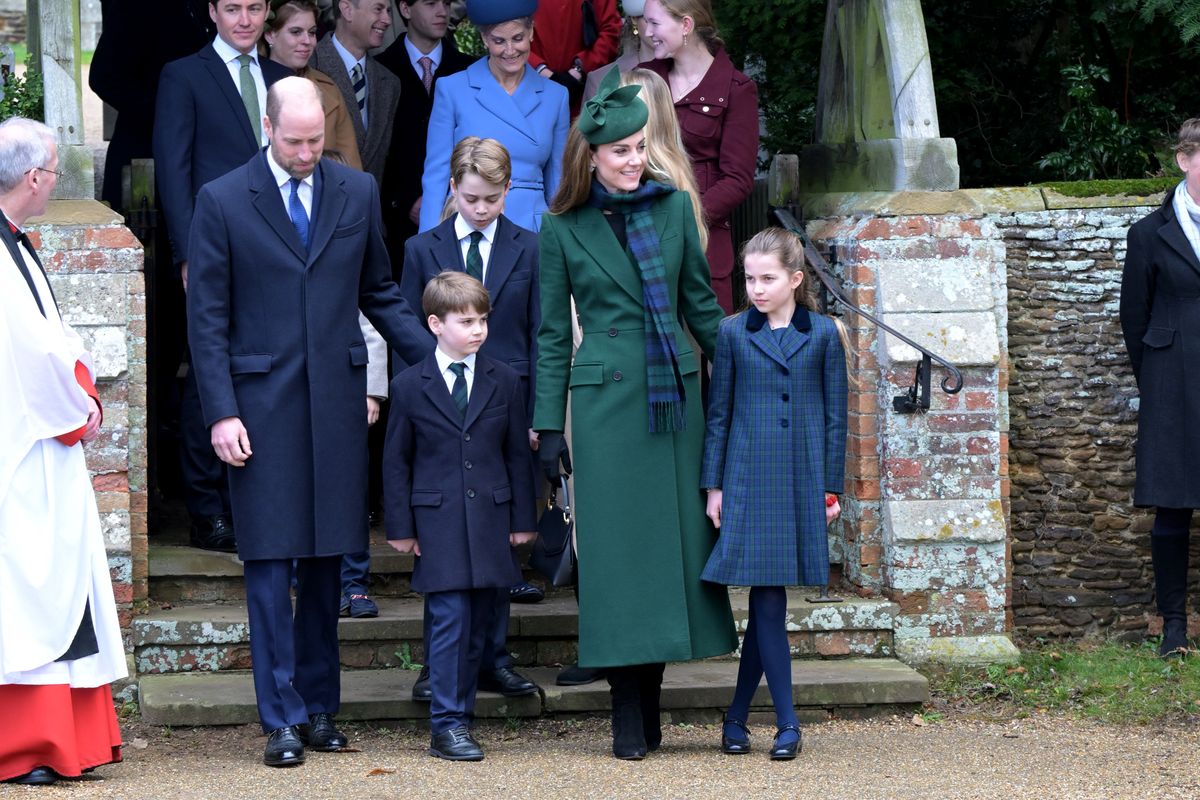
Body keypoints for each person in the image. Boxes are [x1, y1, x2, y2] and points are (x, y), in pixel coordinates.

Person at [186, 77, 433, 767]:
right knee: (269, 567)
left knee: (329, 565)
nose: (305, 153)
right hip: (258, 410)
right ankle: (281, 718)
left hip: (336, 405)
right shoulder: (223, 199)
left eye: (315, 140)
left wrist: (434, 360)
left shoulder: (353, 192)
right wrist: (222, 413)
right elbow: (205, 321)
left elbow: (379, 292)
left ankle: (321, 708)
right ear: (267, 127)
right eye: (293, 141)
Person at [534, 68, 737, 760]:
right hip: (605, 407)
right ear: (592, 156)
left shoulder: (675, 209)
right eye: (621, 150)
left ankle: (649, 707)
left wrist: (753, 370)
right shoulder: (560, 227)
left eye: (640, 146)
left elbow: (700, 311)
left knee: (666, 559)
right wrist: (543, 428)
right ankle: (627, 712)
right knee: (620, 562)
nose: (634, 159)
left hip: (674, 400)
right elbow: (553, 336)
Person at [0, 118, 126, 786]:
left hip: (25, 438)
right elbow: (39, 352)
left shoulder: (14, 242)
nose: (54, 182)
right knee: (30, 589)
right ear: (33, 178)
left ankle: (67, 738)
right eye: (51, 171)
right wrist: (84, 403)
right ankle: (31, 744)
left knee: (46, 585)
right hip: (21, 447)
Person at [399, 136, 542, 703]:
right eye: (472, 197)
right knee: (442, 540)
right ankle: (440, 665)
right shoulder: (421, 249)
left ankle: (493, 658)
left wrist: (538, 413)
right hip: (440, 411)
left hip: (505, 411)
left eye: (493, 198)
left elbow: (540, 331)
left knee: (498, 538)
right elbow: (411, 330)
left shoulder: (530, 248)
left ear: (508, 192)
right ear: (452, 188)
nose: (481, 209)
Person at [702, 227, 847, 761]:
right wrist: (713, 485)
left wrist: (832, 489)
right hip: (747, 476)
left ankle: (738, 716)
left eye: (768, 279)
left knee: (768, 601)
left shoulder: (826, 334)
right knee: (767, 598)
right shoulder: (733, 332)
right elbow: (719, 414)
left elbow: (837, 418)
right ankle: (787, 723)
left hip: (801, 477)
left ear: (795, 279)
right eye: (749, 279)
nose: (756, 289)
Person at [154, 0, 292, 552]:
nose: (244, 19)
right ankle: (207, 510)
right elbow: (174, 165)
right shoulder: (184, 75)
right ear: (212, 11)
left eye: (254, 8)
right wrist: (188, 254)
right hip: (214, 248)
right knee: (208, 370)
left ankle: (254, 501)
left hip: (279, 248)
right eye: (231, 7)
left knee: (270, 368)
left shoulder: (283, 77)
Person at [383, 271, 537, 761]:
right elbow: (396, 460)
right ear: (434, 323)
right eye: (466, 321)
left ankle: (462, 717)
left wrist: (522, 518)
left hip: (491, 520)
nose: (478, 330)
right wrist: (402, 528)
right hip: (437, 522)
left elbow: (516, 454)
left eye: (483, 320)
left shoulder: (505, 379)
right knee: (448, 621)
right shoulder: (409, 385)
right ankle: (446, 725)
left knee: (482, 625)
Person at [1121, 118, 1200, 658]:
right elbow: (1134, 318)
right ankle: (1173, 626)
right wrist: (1157, 382)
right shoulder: (1149, 233)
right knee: (1173, 508)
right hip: (1173, 383)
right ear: (1184, 160)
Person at [639, 0, 758, 314]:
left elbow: (738, 179)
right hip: (643, 233)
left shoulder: (737, 89)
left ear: (686, 25)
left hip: (704, 239)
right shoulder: (644, 80)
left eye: (654, 23)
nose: (646, 32)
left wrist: (684, 217)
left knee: (708, 347)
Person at [419, 0, 569, 233]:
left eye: (517, 38)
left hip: (531, 230)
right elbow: (436, 177)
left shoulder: (555, 96)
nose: (510, 50)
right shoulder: (452, 90)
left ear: (531, 32)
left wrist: (564, 247)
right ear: (484, 40)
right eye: (499, 41)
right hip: (469, 222)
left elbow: (558, 184)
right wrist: (427, 245)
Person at [377, 0, 476, 272]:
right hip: (396, 225)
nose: (442, 11)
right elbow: (375, 148)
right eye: (431, 3)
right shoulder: (380, 68)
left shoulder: (469, 70)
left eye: (445, 3)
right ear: (405, 9)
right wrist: (404, 199)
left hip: (463, 213)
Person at [310, 0, 402, 185]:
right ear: (347, 10)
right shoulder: (308, 66)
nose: (387, 20)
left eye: (388, 11)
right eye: (378, 9)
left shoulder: (390, 82)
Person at [264, 0, 363, 171]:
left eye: (312, 33)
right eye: (296, 32)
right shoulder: (249, 84)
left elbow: (351, 169)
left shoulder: (328, 88)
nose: (307, 41)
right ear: (270, 35)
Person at [527, 0, 622, 117]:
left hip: (582, 94)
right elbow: (506, 29)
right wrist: (541, 70)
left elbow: (611, 30)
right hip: (529, 89)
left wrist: (579, 69)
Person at [583, 0, 652, 103]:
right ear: (634, 20)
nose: (661, 26)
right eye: (650, 19)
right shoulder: (600, 82)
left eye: (671, 16)